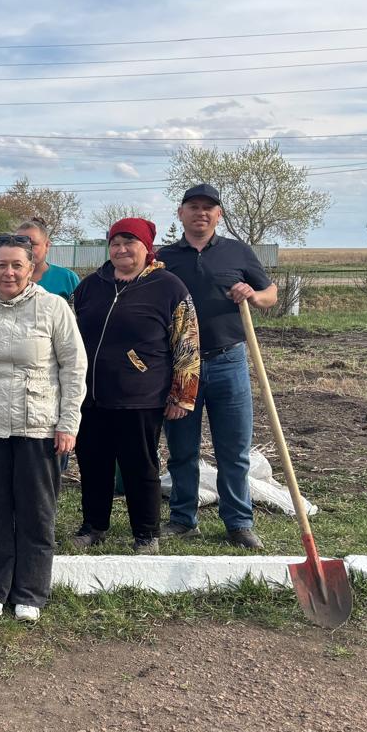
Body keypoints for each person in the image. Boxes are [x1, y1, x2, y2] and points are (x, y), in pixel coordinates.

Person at [0, 235, 86, 623]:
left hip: (39, 427)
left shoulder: (53, 309)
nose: (9, 272)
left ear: (31, 268)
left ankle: (30, 590)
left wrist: (68, 422)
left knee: (35, 511)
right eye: (1, 265)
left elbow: (73, 369)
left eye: (17, 265)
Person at [158, 184, 277, 549]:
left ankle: (239, 522)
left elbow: (270, 294)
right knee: (182, 449)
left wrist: (253, 295)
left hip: (229, 361)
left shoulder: (237, 252)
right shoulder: (163, 258)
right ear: (180, 213)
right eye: (193, 207)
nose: (201, 213)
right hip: (181, 367)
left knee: (233, 449)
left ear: (219, 215)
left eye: (209, 208)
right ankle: (182, 518)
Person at [73, 218, 200, 553]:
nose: (121, 249)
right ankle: (93, 526)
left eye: (130, 242)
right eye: (115, 242)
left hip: (140, 396)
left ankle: (146, 532)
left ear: (147, 248)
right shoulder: (90, 287)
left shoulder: (169, 287)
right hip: (91, 395)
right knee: (93, 462)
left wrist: (182, 395)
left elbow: (187, 344)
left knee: (139, 466)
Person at [18, 218, 80, 303]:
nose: (25, 249)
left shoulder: (67, 278)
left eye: (32, 244)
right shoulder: (6, 278)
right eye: (20, 243)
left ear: (47, 245)